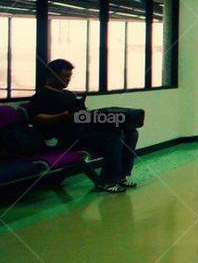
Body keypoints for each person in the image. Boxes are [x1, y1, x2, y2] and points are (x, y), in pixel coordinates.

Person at [29, 59, 139, 193]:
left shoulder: (68, 95)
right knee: (113, 137)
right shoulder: (41, 96)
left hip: (82, 131)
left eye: (69, 76)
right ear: (52, 75)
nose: (68, 80)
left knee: (130, 132)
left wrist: (93, 115)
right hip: (65, 138)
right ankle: (108, 181)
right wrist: (62, 116)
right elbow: (36, 118)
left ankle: (121, 176)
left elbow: (80, 115)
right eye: (65, 76)